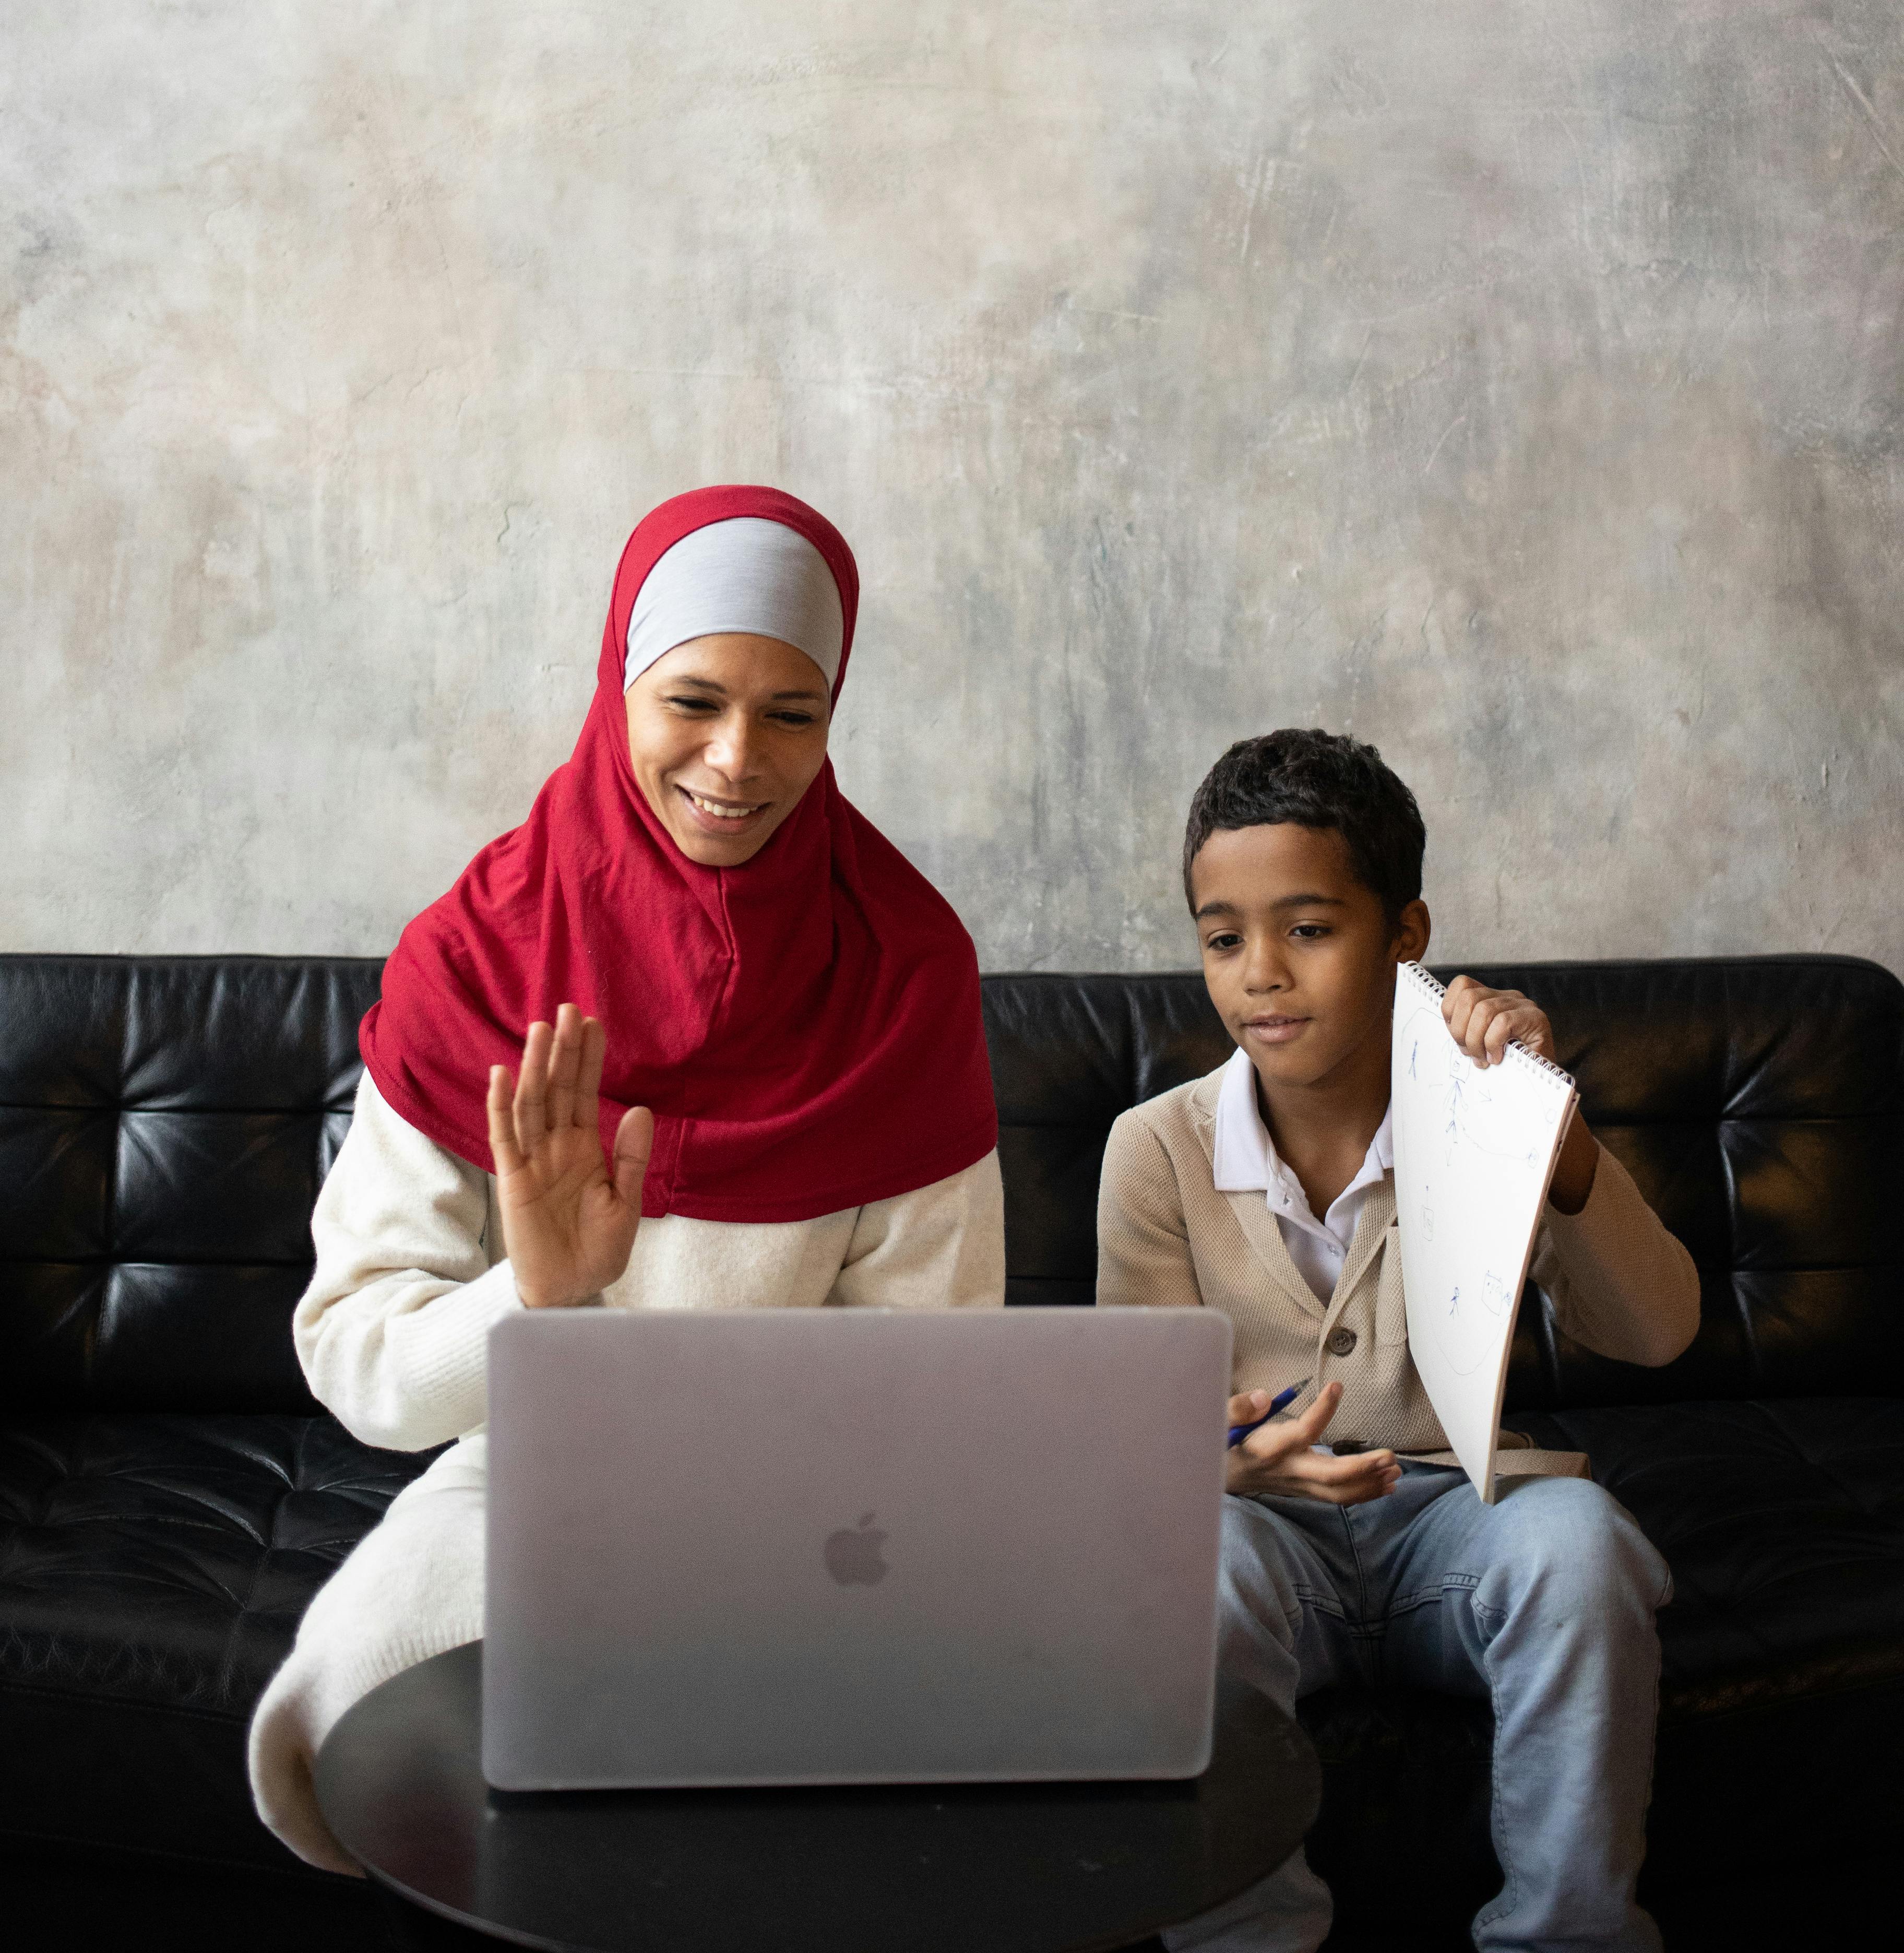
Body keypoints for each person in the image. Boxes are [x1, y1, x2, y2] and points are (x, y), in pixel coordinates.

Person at [251, 486, 1003, 1872]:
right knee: (366, 1704)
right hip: (526, 1479)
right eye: (695, 700)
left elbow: (930, 1375)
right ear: (619, 687)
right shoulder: (477, 956)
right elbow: (358, 1364)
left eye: (794, 713)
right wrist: (531, 1296)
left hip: (815, 1517)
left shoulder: (906, 971)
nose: (738, 760)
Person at [1097, 728, 1699, 1953]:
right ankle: (1247, 1939)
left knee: (1583, 1551)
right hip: (1267, 1534)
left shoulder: (1485, 1112)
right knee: (1182, 1581)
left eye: (1308, 930)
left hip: (1457, 1515)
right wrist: (1235, 1461)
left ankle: (1566, 1935)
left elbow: (1658, 1333)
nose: (1260, 973)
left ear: (1405, 934)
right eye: (1224, 937)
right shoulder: (1153, 1147)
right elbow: (1141, 1437)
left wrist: (1554, 1129)